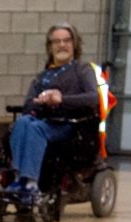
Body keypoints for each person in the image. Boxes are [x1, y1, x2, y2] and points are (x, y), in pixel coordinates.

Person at [7, 22, 99, 201]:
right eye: (56, 41)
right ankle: (18, 178)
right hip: (43, 121)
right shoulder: (42, 77)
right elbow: (28, 104)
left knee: (35, 128)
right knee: (23, 122)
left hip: (68, 125)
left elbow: (92, 98)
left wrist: (61, 98)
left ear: (74, 44)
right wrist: (40, 102)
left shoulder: (82, 70)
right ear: (50, 47)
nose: (62, 45)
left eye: (66, 40)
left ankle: (32, 183)